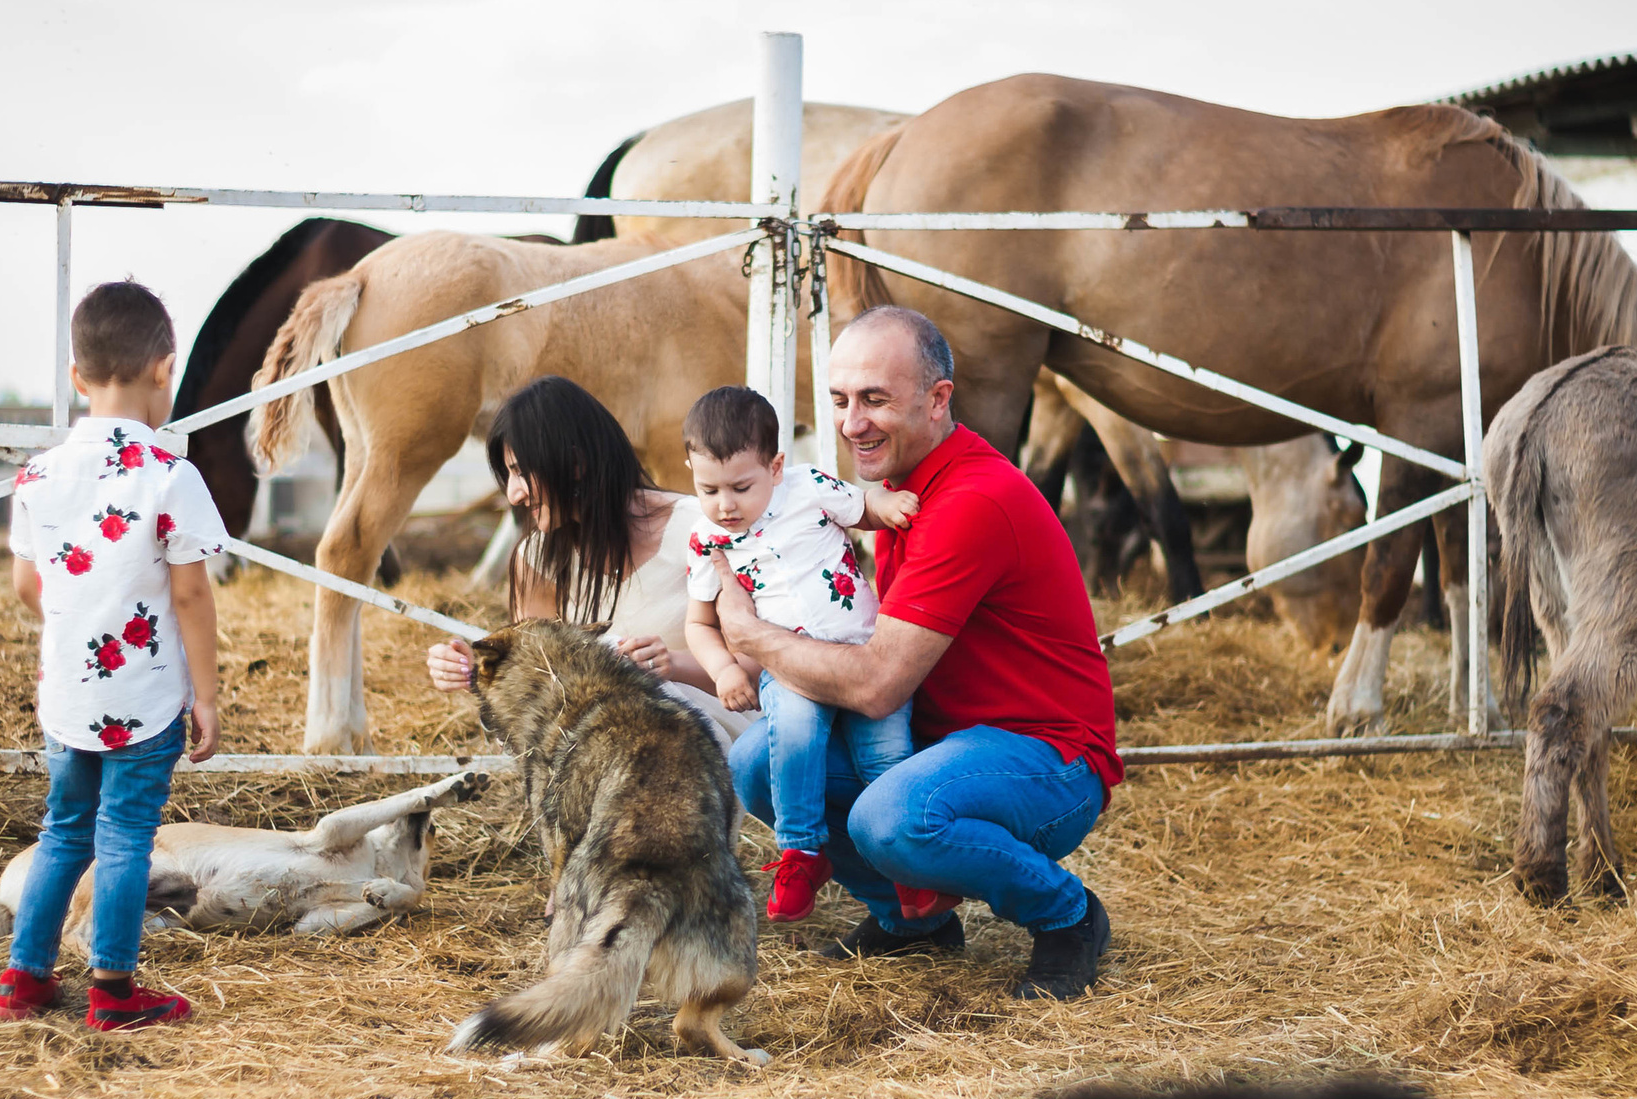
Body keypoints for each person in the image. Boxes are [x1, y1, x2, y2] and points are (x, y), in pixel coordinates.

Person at [713, 306, 1121, 1000]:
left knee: (890, 817)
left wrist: (751, 638)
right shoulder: (897, 494)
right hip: (951, 740)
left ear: (939, 400)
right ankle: (909, 920)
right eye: (841, 400)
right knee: (757, 762)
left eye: (876, 398)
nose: (851, 421)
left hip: (1050, 759)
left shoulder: (969, 501)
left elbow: (874, 686)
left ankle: (1069, 915)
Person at [0, 280, 230, 1031]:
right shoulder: (171, 476)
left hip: (69, 694)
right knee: (125, 834)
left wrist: (79, 627)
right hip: (146, 697)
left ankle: (24, 979)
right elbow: (192, 597)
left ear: (77, 377)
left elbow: (26, 584)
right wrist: (208, 693)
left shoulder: (35, 476)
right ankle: (113, 989)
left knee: (64, 830)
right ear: (166, 369)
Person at [678, 384, 921, 922]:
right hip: (791, 668)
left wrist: (887, 503)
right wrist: (722, 669)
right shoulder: (705, 539)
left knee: (884, 755)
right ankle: (802, 852)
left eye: (741, 487)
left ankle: (912, 866)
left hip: (865, 651)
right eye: (707, 488)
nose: (724, 505)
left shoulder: (809, 486)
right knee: (792, 739)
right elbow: (698, 622)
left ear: (777, 466)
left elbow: (862, 509)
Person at [424, 376, 751, 743]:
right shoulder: (536, 561)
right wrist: (476, 673)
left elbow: (762, 668)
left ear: (575, 462)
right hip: (605, 766)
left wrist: (672, 666)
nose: (514, 494)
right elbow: (537, 695)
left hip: (713, 749)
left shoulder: (699, 531)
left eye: (520, 472)